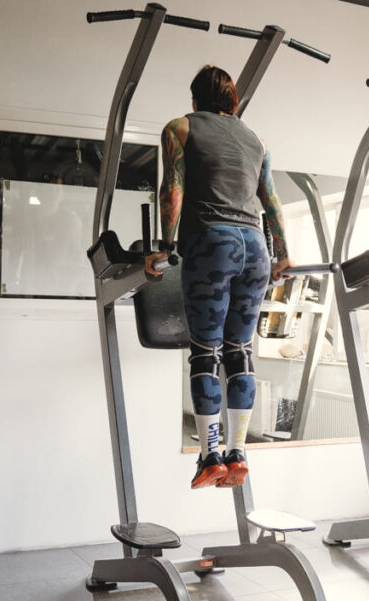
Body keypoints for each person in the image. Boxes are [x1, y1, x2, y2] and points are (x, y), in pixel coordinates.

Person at [146, 65, 291, 489]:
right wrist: (284, 253)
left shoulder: (180, 128)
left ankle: (210, 456)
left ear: (195, 101)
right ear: (235, 103)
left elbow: (172, 188)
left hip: (212, 245)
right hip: (256, 250)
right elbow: (272, 200)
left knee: (205, 353)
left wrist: (165, 246)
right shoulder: (257, 140)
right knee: (240, 350)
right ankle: (238, 453)